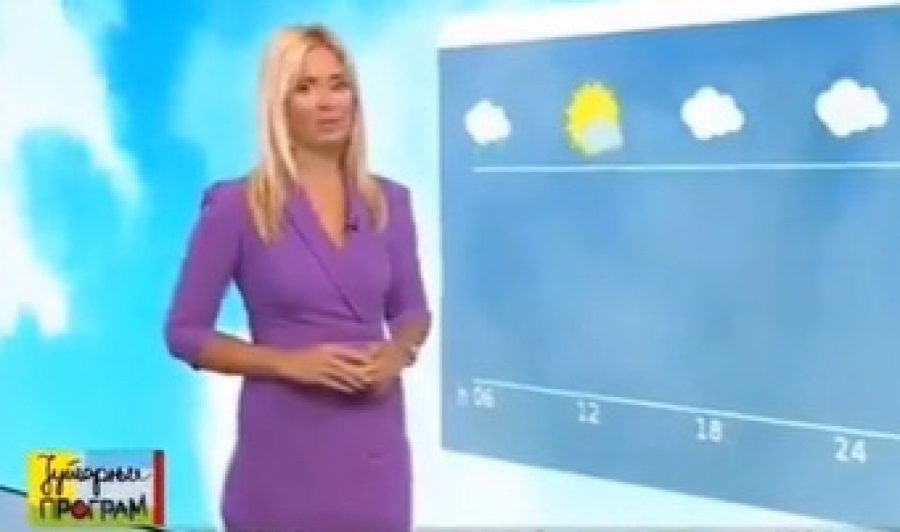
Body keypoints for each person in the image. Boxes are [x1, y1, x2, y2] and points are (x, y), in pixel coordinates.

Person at [162, 24, 430, 531]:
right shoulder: (237, 207)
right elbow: (185, 333)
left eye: (338, 84)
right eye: (305, 88)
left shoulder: (389, 203)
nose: (327, 102)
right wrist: (289, 364)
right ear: (279, 104)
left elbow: (412, 311)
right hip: (285, 455)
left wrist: (399, 352)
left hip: (373, 454)